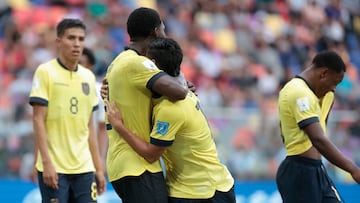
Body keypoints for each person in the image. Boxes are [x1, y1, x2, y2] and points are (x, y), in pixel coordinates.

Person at [106, 37, 235, 203]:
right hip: (208, 185)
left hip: (202, 192)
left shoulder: (170, 108)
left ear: (152, 64)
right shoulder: (179, 93)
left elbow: (151, 154)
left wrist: (120, 126)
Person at [104, 7, 189, 203]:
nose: (165, 34)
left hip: (124, 162)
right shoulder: (136, 64)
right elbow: (180, 92)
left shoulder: (117, 62)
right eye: (163, 29)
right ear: (155, 32)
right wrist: (179, 75)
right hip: (136, 163)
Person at [29, 18, 106, 203]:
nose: (77, 44)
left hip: (84, 168)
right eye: (71, 38)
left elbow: (90, 127)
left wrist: (99, 168)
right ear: (58, 41)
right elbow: (38, 120)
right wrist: (45, 163)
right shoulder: (45, 72)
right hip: (54, 167)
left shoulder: (88, 77)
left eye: (81, 39)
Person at [276, 50, 360, 203]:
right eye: (334, 82)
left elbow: (321, 133)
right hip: (298, 172)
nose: (334, 88)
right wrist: (353, 169)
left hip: (317, 169)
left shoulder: (328, 95)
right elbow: (318, 139)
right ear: (323, 73)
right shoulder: (297, 92)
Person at [80, 47, 108, 170]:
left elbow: (102, 128)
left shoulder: (98, 90)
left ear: (90, 67)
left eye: (81, 63)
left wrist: (101, 159)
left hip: (89, 156)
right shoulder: (61, 87)